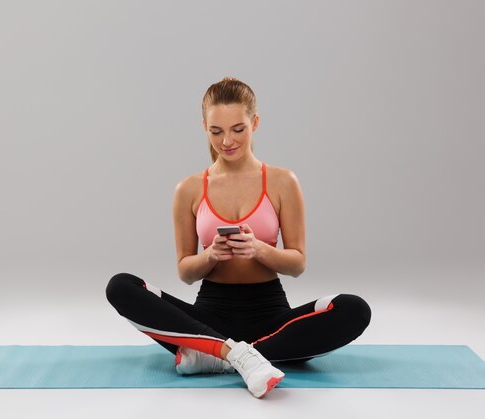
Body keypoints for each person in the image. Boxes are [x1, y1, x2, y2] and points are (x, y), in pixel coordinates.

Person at [106, 76, 371, 398]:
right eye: (216, 131)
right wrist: (210, 256)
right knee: (121, 286)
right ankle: (239, 356)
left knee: (354, 308)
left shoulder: (282, 181)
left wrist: (258, 249)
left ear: (255, 123)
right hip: (206, 320)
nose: (227, 140)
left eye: (238, 129)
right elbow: (185, 272)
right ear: (204, 126)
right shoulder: (188, 189)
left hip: (273, 321)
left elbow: (297, 264)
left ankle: (218, 357)